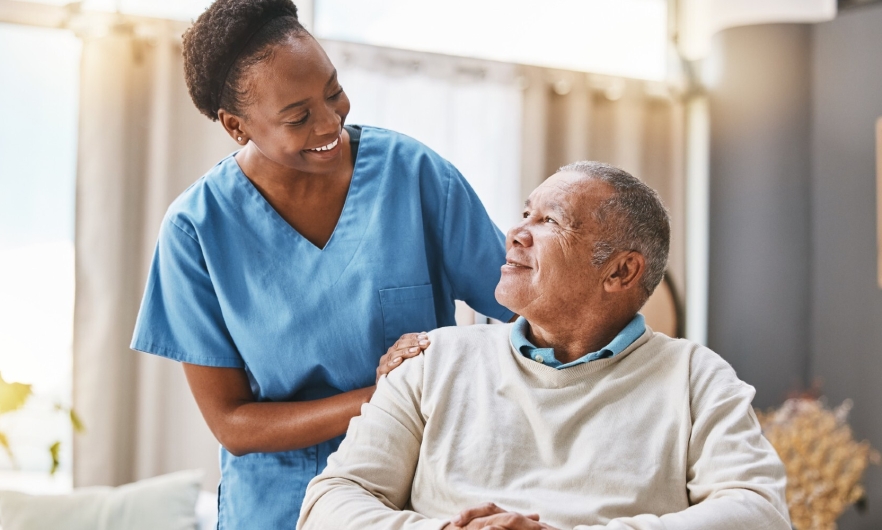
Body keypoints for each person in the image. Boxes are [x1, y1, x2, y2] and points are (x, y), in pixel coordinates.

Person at [130, 0, 514, 527]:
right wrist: (387, 396)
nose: (330, 121)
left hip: (419, 498)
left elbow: (525, 307)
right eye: (298, 116)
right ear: (236, 126)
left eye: (333, 91)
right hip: (279, 508)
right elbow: (233, 424)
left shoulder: (414, 175)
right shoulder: (195, 230)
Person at [297, 161, 792, 530]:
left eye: (549, 222)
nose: (515, 234)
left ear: (620, 271)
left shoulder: (694, 377)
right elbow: (329, 502)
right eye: (525, 214)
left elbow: (760, 512)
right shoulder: (433, 359)